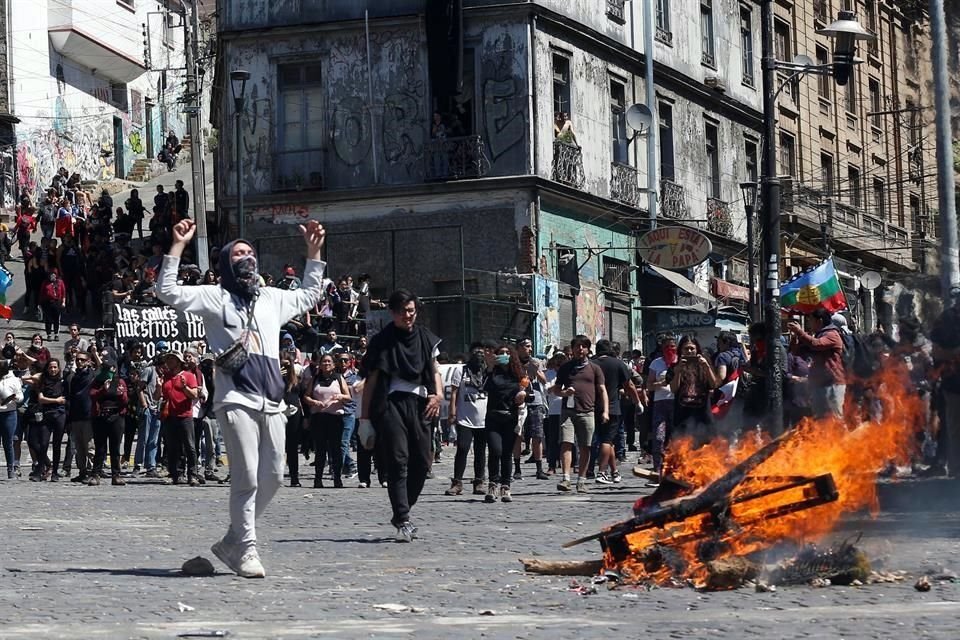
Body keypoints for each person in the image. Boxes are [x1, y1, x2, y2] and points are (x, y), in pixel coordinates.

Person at [156, 217, 326, 578]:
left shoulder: (272, 298)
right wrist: (177, 246)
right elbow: (168, 292)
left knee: (274, 475)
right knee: (246, 477)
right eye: (238, 253)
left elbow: (311, 294)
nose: (246, 257)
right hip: (235, 397)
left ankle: (233, 539)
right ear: (226, 263)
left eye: (250, 252)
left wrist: (314, 251)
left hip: (273, 399)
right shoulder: (215, 296)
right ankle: (247, 548)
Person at [359, 289, 442, 542]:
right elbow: (371, 382)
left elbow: (435, 371)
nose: (408, 315)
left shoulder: (426, 338)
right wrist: (364, 420)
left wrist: (437, 395)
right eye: (403, 311)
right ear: (393, 313)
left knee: (422, 462)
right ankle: (403, 518)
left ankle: (402, 508)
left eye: (412, 311)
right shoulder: (382, 341)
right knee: (398, 459)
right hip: (391, 403)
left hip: (421, 403)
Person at [552, 335, 607, 493]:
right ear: (573, 349)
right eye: (577, 346)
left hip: (587, 412)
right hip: (568, 411)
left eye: (583, 346)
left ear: (588, 349)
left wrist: (605, 411)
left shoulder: (595, 368)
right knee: (566, 442)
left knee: (585, 446)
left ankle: (581, 480)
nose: (580, 349)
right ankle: (566, 478)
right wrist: (564, 393)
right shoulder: (565, 368)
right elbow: (556, 389)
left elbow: (602, 390)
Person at [591, 339, 640, 485]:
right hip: (612, 407)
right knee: (607, 440)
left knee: (608, 440)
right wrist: (637, 402)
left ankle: (614, 472)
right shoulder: (618, 363)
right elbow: (629, 384)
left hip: (593, 407)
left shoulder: (591, 364)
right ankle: (601, 472)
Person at [482, 344, 526, 503]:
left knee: (507, 453)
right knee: (495, 450)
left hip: (510, 417)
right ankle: (493, 484)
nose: (504, 355)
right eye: (501, 353)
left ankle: (505, 486)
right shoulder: (492, 372)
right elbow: (484, 387)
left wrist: (523, 394)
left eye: (507, 353)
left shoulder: (518, 374)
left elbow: (530, 393)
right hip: (493, 417)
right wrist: (489, 367)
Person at [445, 342, 490, 496]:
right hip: (465, 417)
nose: (479, 355)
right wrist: (452, 412)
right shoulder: (461, 371)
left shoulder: (487, 372)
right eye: (476, 352)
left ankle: (479, 481)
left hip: (483, 418)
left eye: (482, 353)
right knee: (463, 448)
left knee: (480, 451)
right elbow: (454, 393)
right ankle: (457, 482)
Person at [788, 308, 846, 420]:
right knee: (820, 418)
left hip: (833, 383)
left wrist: (800, 332)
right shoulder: (819, 335)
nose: (809, 324)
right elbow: (800, 353)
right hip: (819, 383)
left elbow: (816, 344)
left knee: (834, 418)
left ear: (819, 321)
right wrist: (795, 339)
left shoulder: (832, 334)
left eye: (811, 320)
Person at [302, 353, 351, 488]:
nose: (327, 364)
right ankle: (318, 479)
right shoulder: (315, 378)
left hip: (335, 418)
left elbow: (348, 397)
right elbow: (306, 396)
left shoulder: (339, 378)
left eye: (329, 362)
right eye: (324, 362)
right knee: (320, 450)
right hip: (319, 418)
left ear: (334, 364)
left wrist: (340, 396)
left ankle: (337, 478)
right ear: (320, 364)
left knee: (336, 449)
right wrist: (314, 402)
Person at [157, 351, 201, 486]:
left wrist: (184, 387)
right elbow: (157, 396)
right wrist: (159, 387)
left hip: (185, 416)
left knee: (190, 446)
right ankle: (176, 474)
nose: (169, 361)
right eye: (168, 359)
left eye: (172, 359)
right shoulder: (166, 377)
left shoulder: (188, 376)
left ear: (178, 361)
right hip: (170, 415)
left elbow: (194, 395)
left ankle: (192, 474)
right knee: (172, 447)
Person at [668, 335, 720, 444]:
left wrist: (706, 366)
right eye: (686, 348)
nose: (689, 351)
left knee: (705, 451)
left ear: (697, 350)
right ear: (680, 350)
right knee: (683, 450)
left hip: (703, 416)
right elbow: (674, 389)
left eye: (692, 348)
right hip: (683, 416)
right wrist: (678, 371)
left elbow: (714, 384)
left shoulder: (704, 365)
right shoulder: (674, 367)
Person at [89, 358, 128, 486]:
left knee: (115, 448)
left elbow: (125, 400)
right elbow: (92, 394)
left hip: (116, 417)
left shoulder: (119, 381)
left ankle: (116, 475)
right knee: (100, 448)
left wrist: (120, 393)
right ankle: (96, 474)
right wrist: (103, 389)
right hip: (100, 417)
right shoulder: (97, 381)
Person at [515, 338, 549, 481]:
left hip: (535, 401)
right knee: (518, 434)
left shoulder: (535, 362)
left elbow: (544, 380)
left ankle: (539, 468)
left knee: (537, 435)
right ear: (519, 347)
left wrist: (536, 369)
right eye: (527, 346)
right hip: (519, 401)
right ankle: (517, 468)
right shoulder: (514, 362)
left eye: (530, 346)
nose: (530, 349)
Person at [30, 358, 67, 481]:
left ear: (58, 368)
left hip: (60, 415)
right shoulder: (43, 381)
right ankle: (40, 470)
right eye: (50, 367)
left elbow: (65, 399)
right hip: (46, 414)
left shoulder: (63, 382)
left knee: (57, 444)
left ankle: (55, 472)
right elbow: (41, 399)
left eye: (55, 367)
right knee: (43, 443)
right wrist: (56, 400)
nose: (53, 369)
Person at [646, 334, 677, 482]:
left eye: (672, 347)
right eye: (666, 347)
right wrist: (660, 384)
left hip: (677, 403)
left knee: (675, 439)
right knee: (659, 438)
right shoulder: (656, 363)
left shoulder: (680, 362)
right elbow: (649, 385)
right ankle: (657, 469)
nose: (669, 350)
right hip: (660, 403)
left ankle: (674, 471)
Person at [280, 354, 305, 487]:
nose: (285, 367)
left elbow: (303, 396)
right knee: (277, 446)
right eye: (282, 364)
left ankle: (294, 477)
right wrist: (277, 374)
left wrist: (306, 417)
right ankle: (275, 476)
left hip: (294, 413)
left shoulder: (296, 380)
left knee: (292, 447)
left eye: (287, 365)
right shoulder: (275, 377)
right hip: (278, 413)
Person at [0, 359, 23, 479]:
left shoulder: (13, 380)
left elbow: (20, 396)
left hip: (9, 413)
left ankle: (11, 468)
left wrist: (15, 398)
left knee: (8, 442)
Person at [39, 269, 66, 342]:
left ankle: (56, 334)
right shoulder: (45, 282)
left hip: (57, 302)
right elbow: (42, 293)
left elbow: (63, 293)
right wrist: (40, 304)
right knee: (48, 319)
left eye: (54, 275)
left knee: (57, 319)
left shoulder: (60, 282)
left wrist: (63, 302)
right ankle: (49, 334)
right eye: (51, 275)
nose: (52, 276)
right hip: (47, 303)